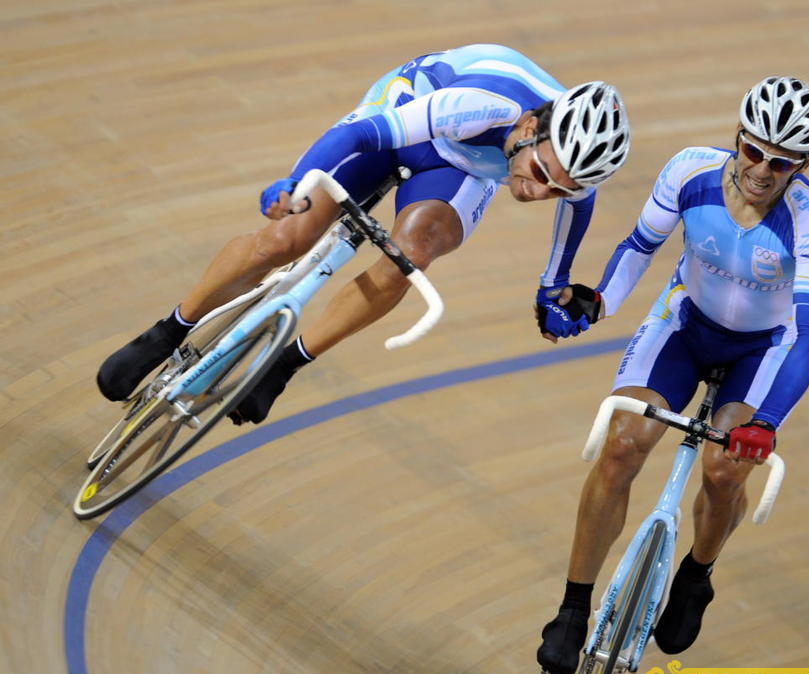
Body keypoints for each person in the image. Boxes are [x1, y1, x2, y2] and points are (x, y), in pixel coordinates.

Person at [96, 44, 630, 424]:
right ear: (529, 130)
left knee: (412, 254)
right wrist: (294, 183)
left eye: (558, 190)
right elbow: (359, 133)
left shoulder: (573, 170)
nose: (540, 194)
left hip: (459, 168)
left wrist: (551, 287)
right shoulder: (488, 104)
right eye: (540, 176)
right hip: (401, 118)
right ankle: (167, 331)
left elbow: (577, 213)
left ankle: (284, 366)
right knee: (287, 239)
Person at [536, 76, 809, 674]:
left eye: (782, 162)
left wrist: (768, 422)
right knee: (622, 445)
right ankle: (572, 608)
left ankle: (696, 575)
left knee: (727, 467)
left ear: (804, 162)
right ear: (738, 138)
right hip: (685, 324)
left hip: (763, 349)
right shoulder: (689, 172)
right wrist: (598, 302)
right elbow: (640, 246)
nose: (763, 170)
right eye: (754, 152)